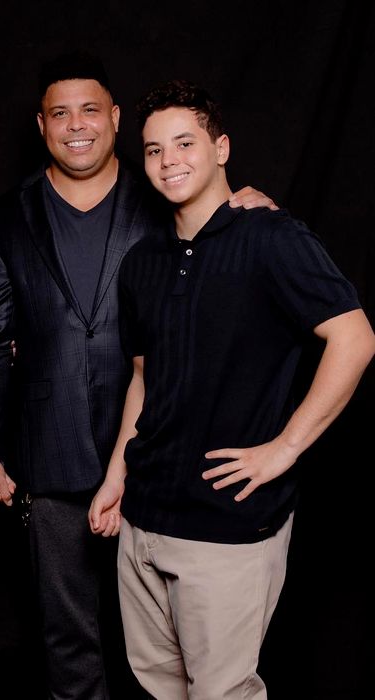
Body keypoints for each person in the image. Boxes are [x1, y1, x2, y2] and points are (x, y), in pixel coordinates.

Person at [0, 52, 275, 698]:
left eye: (90, 110)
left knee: (170, 647)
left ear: (116, 117)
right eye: (60, 113)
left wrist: (247, 204)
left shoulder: (165, 193)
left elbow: (229, 245)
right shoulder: (3, 219)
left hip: (161, 453)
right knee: (67, 642)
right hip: (49, 454)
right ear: (41, 125)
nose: (76, 125)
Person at [87, 79, 375, 699]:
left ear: (221, 148)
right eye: (155, 149)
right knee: (159, 689)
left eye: (185, 143)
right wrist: (116, 479)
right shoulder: (142, 263)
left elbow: (355, 338)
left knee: (221, 693)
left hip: (228, 526)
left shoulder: (271, 238)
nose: (169, 160)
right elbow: (144, 379)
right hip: (143, 521)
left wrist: (285, 448)